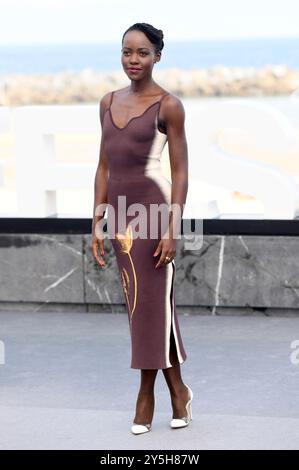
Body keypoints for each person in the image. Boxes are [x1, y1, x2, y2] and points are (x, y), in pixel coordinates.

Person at [91, 22, 193, 434]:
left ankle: (145, 396)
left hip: (153, 215)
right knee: (144, 308)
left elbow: (181, 170)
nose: (133, 60)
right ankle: (180, 391)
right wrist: (96, 220)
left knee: (151, 307)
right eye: (127, 51)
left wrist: (173, 228)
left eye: (143, 53)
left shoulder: (168, 105)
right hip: (119, 219)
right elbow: (103, 166)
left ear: (157, 57)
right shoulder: (106, 102)